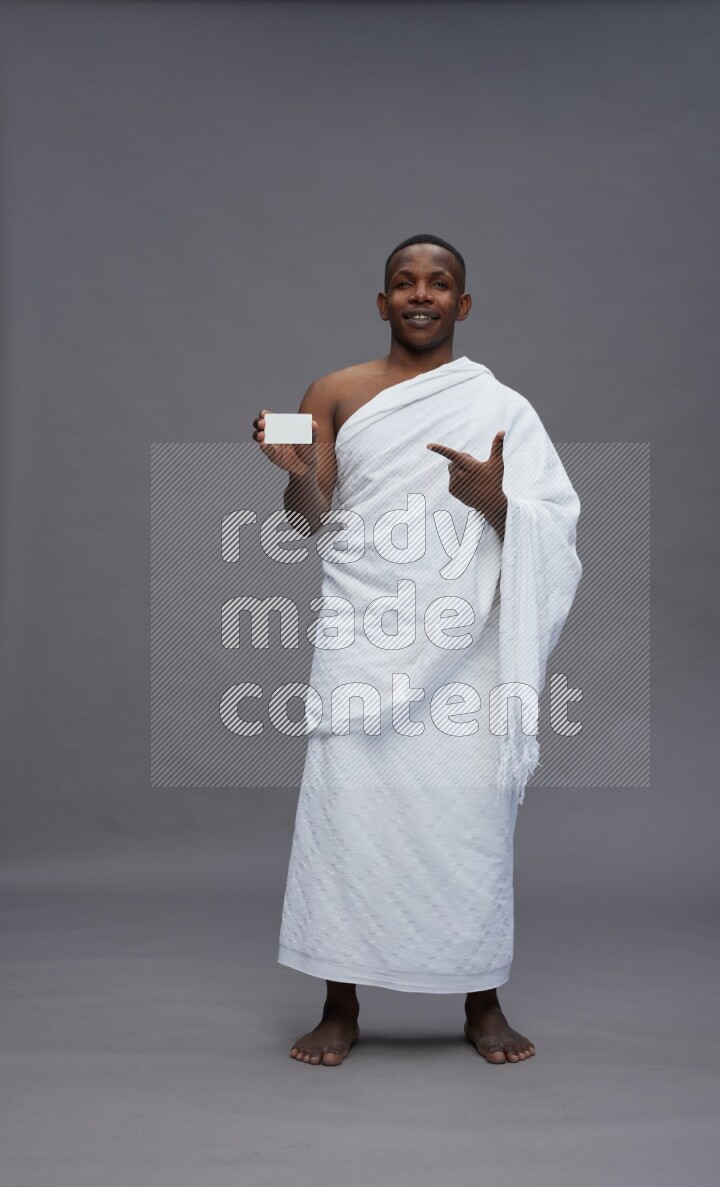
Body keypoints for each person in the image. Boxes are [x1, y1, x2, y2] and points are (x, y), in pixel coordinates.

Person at [252, 234, 581, 1065]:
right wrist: (292, 472)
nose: (422, 295)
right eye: (405, 283)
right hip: (364, 633)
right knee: (346, 816)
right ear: (382, 301)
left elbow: (554, 531)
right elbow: (309, 519)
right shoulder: (334, 391)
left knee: (468, 818)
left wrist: (498, 501)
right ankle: (339, 1003)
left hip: (465, 642)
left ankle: (480, 999)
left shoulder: (502, 406)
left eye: (440, 284)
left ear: (463, 305)